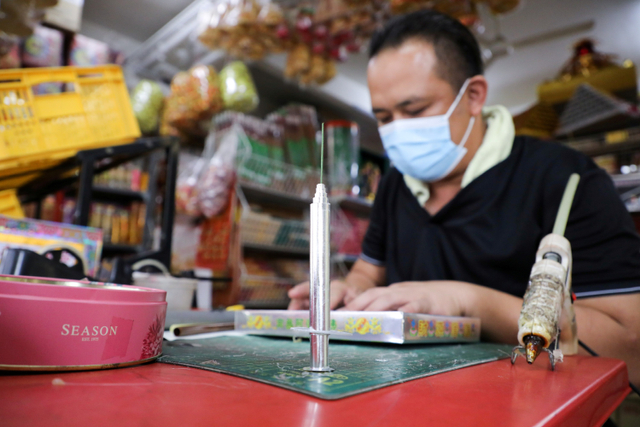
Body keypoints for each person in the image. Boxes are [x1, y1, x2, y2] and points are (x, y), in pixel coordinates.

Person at [288, 9, 640, 385]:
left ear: (473, 96)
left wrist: (467, 302)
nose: (398, 130)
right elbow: (366, 272)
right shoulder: (396, 185)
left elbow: (628, 346)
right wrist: (345, 294)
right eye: (385, 117)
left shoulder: (567, 179)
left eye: (415, 110)